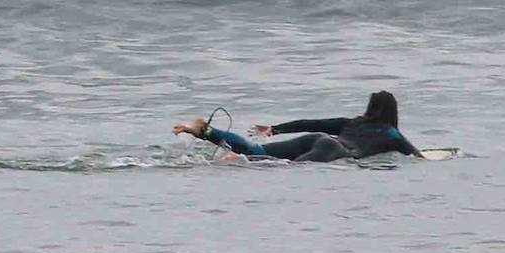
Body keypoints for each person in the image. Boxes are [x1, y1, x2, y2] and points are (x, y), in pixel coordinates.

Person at [172, 91, 422, 162]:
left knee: (258, 151)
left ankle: (204, 131)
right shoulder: (392, 133)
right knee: (284, 168)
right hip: (333, 151)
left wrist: (275, 129)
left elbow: (311, 123)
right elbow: (417, 156)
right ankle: (235, 159)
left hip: (316, 138)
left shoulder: (352, 122)